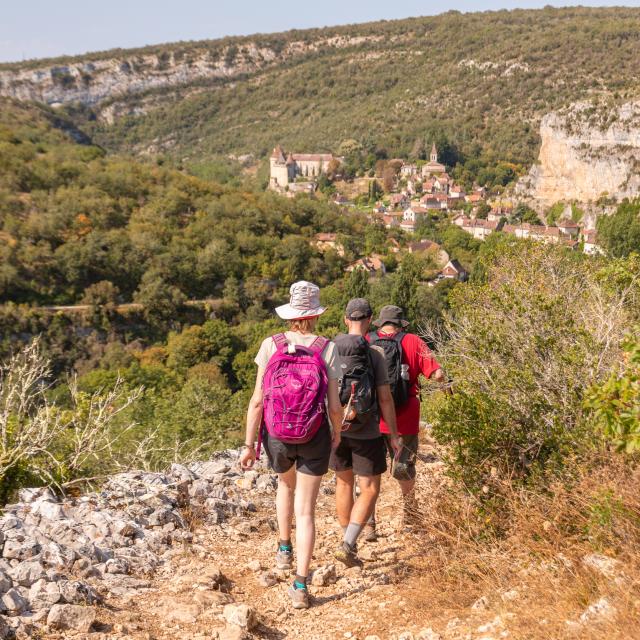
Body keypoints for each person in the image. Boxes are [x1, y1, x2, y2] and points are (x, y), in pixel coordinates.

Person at [240, 281, 343, 610]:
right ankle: (300, 585)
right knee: (307, 510)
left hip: (278, 435)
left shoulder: (270, 345)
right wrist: (337, 432)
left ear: (290, 314)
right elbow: (334, 404)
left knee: (285, 487)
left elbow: (257, 401)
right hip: (315, 434)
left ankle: (283, 550)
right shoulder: (327, 348)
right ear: (315, 314)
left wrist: (248, 445)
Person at [330, 298, 401, 567]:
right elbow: (384, 398)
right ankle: (348, 543)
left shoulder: (330, 350)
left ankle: (345, 539)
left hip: (337, 429)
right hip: (367, 430)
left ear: (345, 319)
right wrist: (393, 434)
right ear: (370, 320)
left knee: (343, 483)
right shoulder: (375, 354)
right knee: (369, 488)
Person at [366, 304, 444, 539]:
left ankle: (369, 523)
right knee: (404, 466)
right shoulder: (413, 341)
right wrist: (447, 385)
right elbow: (437, 374)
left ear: (381, 323)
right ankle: (410, 516)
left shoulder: (367, 341)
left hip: (372, 416)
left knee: (371, 471)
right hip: (405, 416)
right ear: (401, 324)